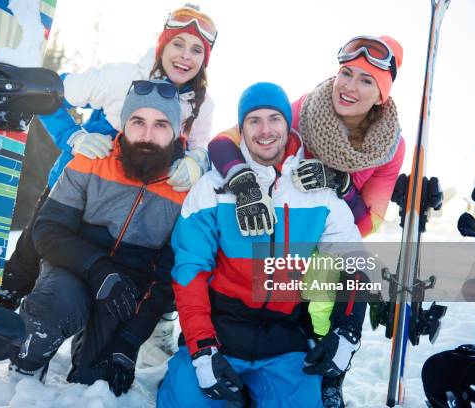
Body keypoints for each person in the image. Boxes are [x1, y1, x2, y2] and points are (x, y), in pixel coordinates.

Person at [0, 3, 217, 361]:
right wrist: (73, 136)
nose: (185, 56)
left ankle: (136, 327)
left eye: (197, 50)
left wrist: (195, 161)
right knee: (31, 256)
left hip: (141, 201)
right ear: (162, 44)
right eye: (179, 44)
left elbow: (203, 148)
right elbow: (49, 93)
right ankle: (4, 313)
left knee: (140, 263)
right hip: (76, 184)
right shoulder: (121, 77)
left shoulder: (201, 105)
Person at [207, 35, 405, 407]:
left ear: (382, 94)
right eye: (346, 72)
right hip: (276, 224)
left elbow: (369, 223)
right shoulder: (306, 109)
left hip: (328, 236)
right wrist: (242, 180)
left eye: (367, 80)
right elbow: (223, 142)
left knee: (344, 271)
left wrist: (340, 186)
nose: (349, 86)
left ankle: (331, 373)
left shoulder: (389, 146)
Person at [157, 82, 369, 408]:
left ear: (288, 124)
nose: (265, 130)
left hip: (284, 340)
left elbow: (354, 264)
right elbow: (189, 271)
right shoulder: (211, 189)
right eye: (254, 120)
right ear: (241, 129)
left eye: (275, 119)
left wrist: (346, 332)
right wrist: (202, 350)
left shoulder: (318, 194)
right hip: (220, 331)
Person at [8, 79, 187, 395]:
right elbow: (47, 230)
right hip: (72, 271)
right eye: (138, 122)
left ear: (175, 132)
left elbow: (167, 279)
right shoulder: (92, 160)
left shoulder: (185, 190)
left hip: (125, 294)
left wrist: (129, 342)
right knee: (53, 308)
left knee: (99, 381)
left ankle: (91, 354)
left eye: (160, 124)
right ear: (124, 125)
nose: (147, 135)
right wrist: (97, 268)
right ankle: (23, 369)